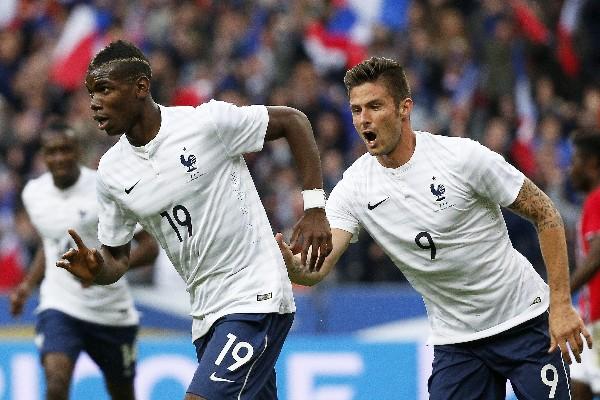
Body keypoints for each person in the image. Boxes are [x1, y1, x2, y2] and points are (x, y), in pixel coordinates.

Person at [276, 57, 591, 399]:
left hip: (524, 322)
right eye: (356, 110)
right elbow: (318, 268)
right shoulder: (354, 187)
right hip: (457, 344)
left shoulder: (462, 158)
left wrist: (560, 304)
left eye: (374, 106)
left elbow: (546, 213)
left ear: (404, 108)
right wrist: (296, 269)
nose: (363, 119)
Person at [56, 40, 332, 400]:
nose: (94, 103)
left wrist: (313, 208)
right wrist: (97, 270)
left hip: (255, 294)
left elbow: (293, 121)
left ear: (141, 87)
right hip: (205, 313)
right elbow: (117, 258)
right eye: (91, 93)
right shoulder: (111, 173)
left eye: (105, 89)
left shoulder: (205, 123)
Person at [10, 121, 159, 400]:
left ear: (78, 151)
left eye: (66, 150)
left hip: (111, 312)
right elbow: (51, 242)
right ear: (43, 156)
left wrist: (104, 271)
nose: (59, 157)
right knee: (56, 384)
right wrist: (27, 285)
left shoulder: (105, 188)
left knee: (122, 394)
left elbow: (149, 248)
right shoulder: (33, 193)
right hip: (61, 306)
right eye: (51, 152)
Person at [568, 132, 600, 400]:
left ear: (593, 164)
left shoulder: (598, 199)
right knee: (577, 391)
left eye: (576, 160)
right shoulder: (591, 201)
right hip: (589, 320)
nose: (571, 168)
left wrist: (560, 290)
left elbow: (597, 255)